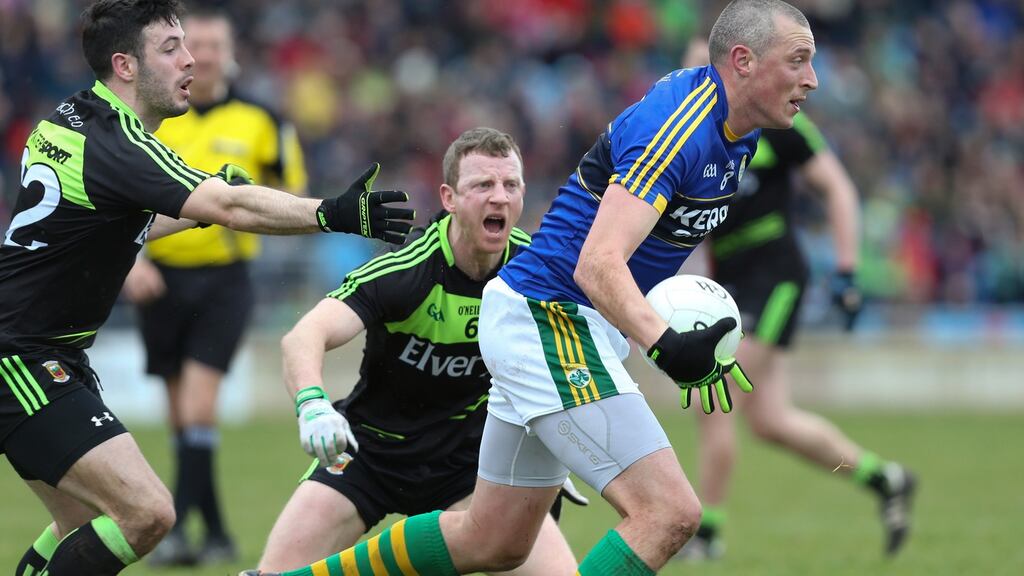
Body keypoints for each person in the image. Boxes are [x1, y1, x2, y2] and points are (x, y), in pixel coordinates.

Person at [246, 2, 820, 575]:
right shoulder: (684, 126)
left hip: (547, 320)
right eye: (798, 61)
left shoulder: (737, 133)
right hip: (552, 320)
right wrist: (666, 344)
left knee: (492, 542)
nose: (812, 80)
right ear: (742, 61)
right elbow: (596, 266)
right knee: (668, 512)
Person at [1, 2, 413, 575]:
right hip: (22, 354)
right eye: (170, 48)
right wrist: (337, 212)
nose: (191, 60)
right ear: (124, 65)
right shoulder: (121, 144)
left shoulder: (69, 119)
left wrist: (201, 208)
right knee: (146, 514)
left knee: (77, 524)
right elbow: (227, 202)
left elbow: (125, 218)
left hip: (41, 347)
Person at [251, 127, 585, 576]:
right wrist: (312, 404)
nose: (499, 198)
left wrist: (552, 451)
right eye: (482, 185)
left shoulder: (538, 273)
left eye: (510, 185)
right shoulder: (406, 269)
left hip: (471, 465)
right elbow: (304, 336)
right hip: (368, 455)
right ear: (448, 197)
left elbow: (576, 358)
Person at [674, 38, 917, 561]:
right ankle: (884, 478)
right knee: (770, 421)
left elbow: (838, 188)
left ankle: (709, 533)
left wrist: (848, 271)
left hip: (776, 276)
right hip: (729, 287)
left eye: (704, 68)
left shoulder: (772, 126)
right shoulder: (687, 142)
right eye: (689, 70)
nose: (695, 79)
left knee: (716, 392)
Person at [119, 7, 308, 566]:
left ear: (230, 53)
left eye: (212, 44)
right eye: (189, 44)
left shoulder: (261, 119)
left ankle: (176, 532)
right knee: (182, 419)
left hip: (224, 280)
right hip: (159, 279)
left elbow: (291, 191)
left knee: (199, 409)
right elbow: (123, 203)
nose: (200, 54)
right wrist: (134, 263)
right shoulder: (154, 116)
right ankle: (218, 534)